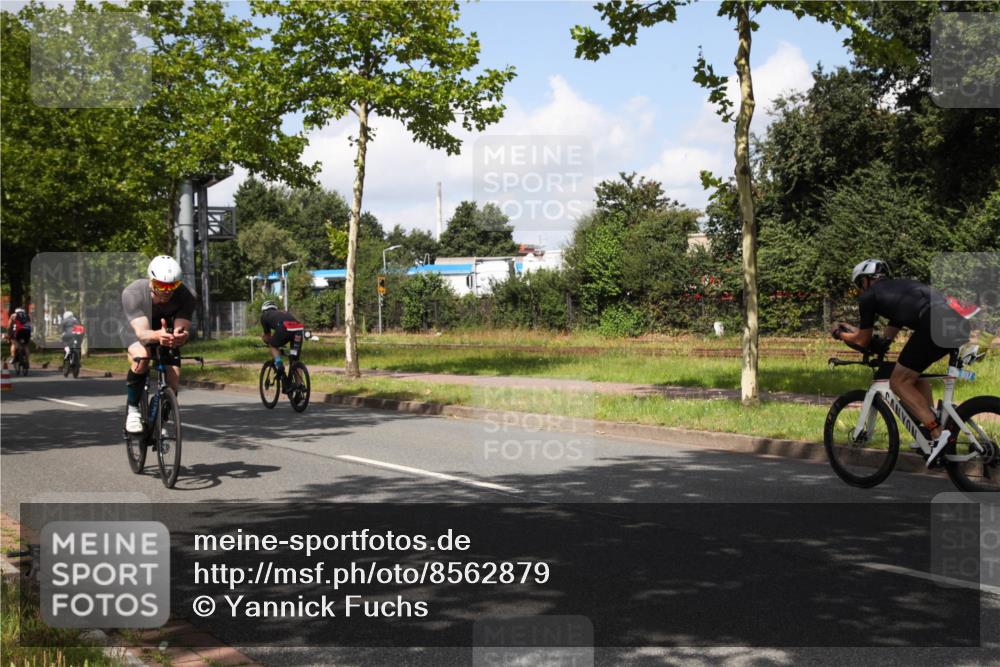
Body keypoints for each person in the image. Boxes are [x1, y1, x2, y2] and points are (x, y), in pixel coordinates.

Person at [832, 259, 972, 466]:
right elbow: (884, 341)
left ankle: (936, 432)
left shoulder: (869, 296)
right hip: (958, 324)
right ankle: (927, 431)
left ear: (865, 281)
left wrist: (839, 334)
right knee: (912, 377)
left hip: (934, 324)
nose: (860, 289)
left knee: (899, 382)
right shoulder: (902, 292)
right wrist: (873, 342)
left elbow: (862, 340)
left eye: (859, 284)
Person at [121, 256, 197, 433]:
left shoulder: (187, 295)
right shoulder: (133, 293)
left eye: (173, 286)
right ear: (151, 281)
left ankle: (160, 422)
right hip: (135, 329)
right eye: (162, 286)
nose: (167, 291)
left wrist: (180, 336)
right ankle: (133, 411)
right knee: (142, 358)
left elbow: (181, 328)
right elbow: (142, 333)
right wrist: (157, 335)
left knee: (173, 378)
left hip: (164, 330)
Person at [260, 301, 303, 385]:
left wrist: (266, 341)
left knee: (273, 345)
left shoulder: (264, 316)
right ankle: (299, 386)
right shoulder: (281, 312)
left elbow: (267, 336)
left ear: (264, 310)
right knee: (295, 360)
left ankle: (279, 365)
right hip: (298, 329)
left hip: (285, 328)